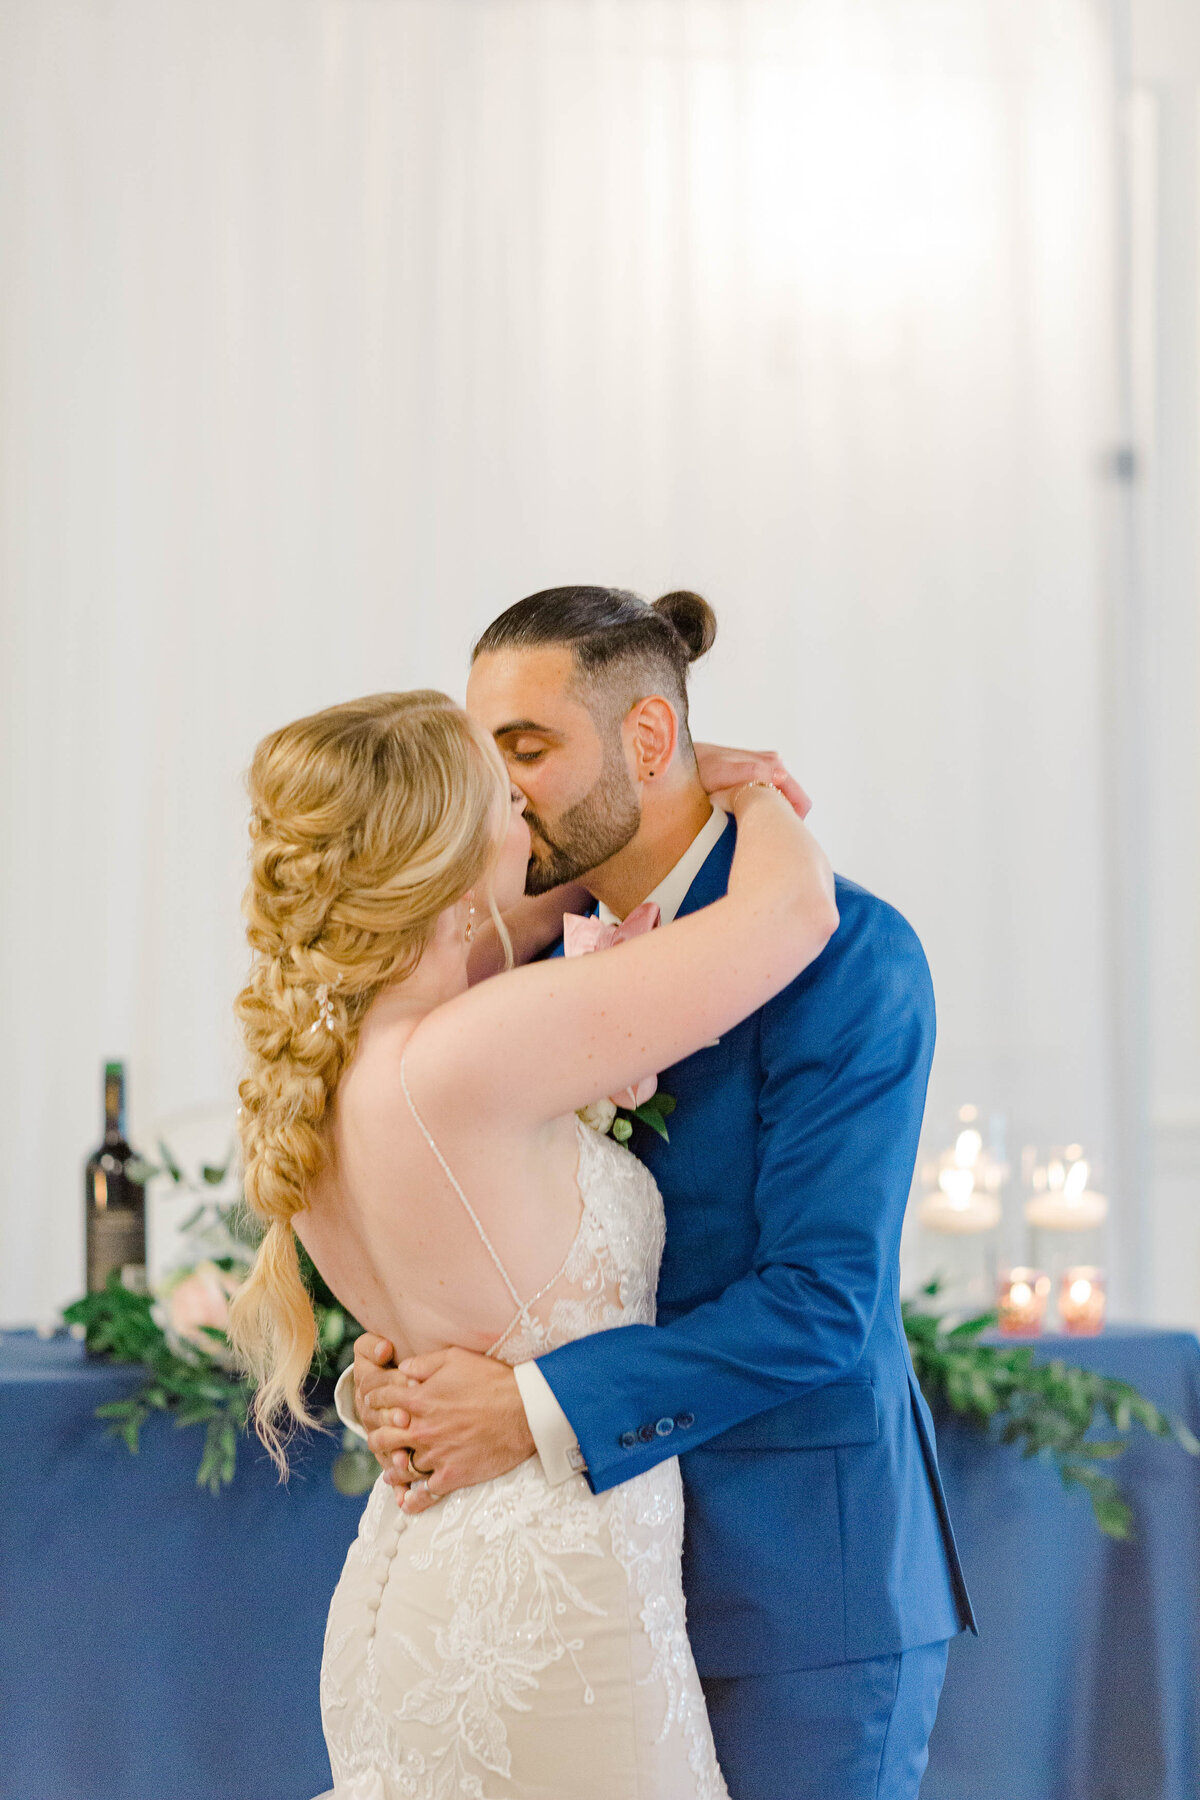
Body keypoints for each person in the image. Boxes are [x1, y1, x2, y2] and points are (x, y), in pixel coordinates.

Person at [342, 586, 977, 1800]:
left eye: (529, 749)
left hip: (799, 1591)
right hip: (592, 1587)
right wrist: (403, 1354)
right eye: (489, 757)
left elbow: (822, 1302)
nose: (504, 789)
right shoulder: (528, 942)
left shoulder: (851, 955)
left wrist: (527, 1407)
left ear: (644, 738)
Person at [228, 677, 839, 1799]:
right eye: (507, 804)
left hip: (415, 1590)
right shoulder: (471, 1052)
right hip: (546, 1615)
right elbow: (796, 917)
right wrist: (743, 794)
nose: (532, 823)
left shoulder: (326, 1084)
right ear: (455, 861)